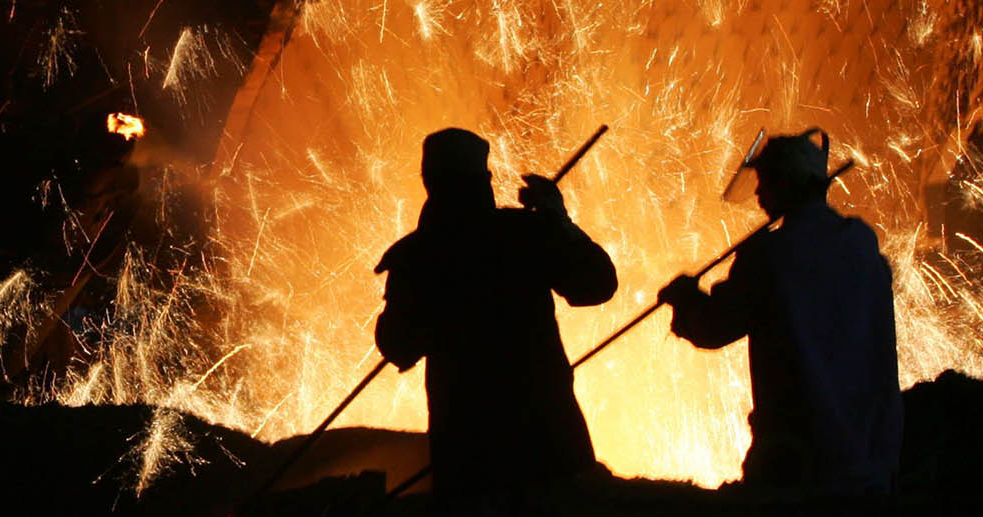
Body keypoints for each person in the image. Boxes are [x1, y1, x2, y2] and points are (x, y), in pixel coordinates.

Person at [373, 128, 618, 508]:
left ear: (429, 182)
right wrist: (558, 220)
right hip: (549, 450)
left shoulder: (416, 258)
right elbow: (598, 284)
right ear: (483, 179)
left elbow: (397, 347)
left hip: (468, 465)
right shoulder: (524, 235)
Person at [657, 131, 902, 500]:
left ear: (787, 183)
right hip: (870, 452)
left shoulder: (770, 256)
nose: (758, 194)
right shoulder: (860, 244)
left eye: (764, 182)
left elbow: (714, 327)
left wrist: (685, 301)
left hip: (798, 458)